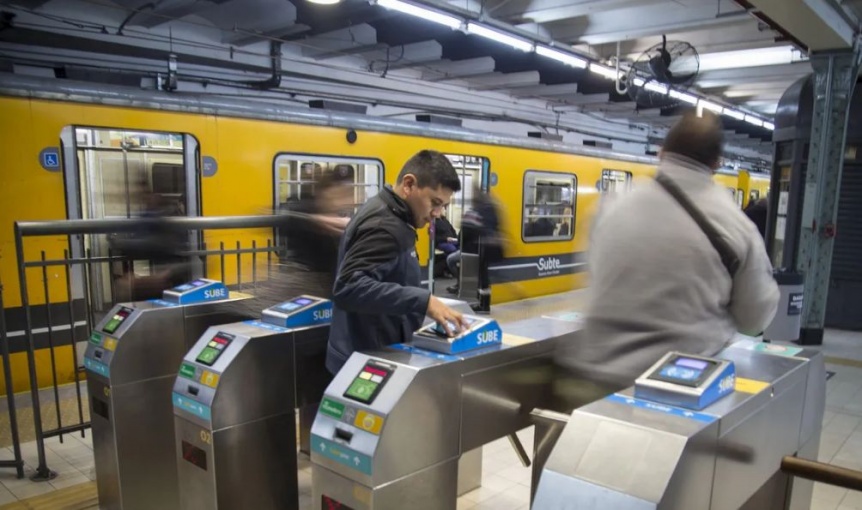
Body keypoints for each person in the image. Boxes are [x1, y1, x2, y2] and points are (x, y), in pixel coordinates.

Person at [554, 111, 780, 408]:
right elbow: (755, 319)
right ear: (716, 163)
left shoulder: (611, 205)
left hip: (593, 380)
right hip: (677, 393)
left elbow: (596, 278)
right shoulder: (737, 225)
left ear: (662, 153)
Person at [326, 150, 469, 375]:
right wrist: (424, 301)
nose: (438, 214)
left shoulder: (389, 213)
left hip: (364, 351)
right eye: (435, 202)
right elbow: (348, 287)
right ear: (409, 185)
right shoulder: (384, 225)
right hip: (364, 359)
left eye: (443, 206)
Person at [277, 167, 353, 298]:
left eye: (345, 194)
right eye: (336, 193)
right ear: (323, 193)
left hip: (334, 284)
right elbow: (285, 218)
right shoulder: (306, 207)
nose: (341, 200)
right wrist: (315, 220)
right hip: (308, 283)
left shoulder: (345, 218)